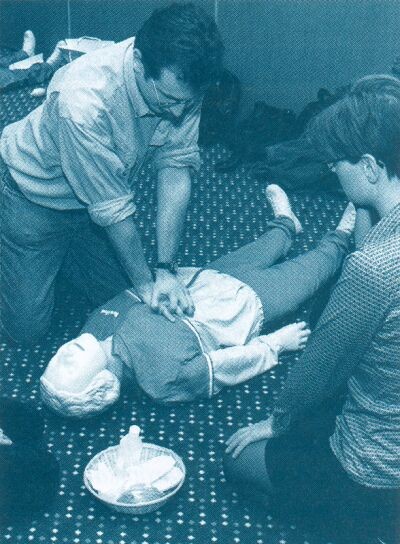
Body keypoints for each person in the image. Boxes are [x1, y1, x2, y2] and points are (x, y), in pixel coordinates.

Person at [224, 75, 400, 544]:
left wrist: (278, 422)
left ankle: (355, 523)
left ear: (369, 166)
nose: (331, 171)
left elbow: (321, 368)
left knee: (238, 459)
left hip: (378, 470)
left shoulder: (374, 270)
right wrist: (365, 201)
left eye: (337, 162)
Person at [0, 3, 224, 345]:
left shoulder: (182, 81)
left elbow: (175, 168)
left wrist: (164, 268)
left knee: (126, 301)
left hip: (92, 210)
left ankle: (61, 259)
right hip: (33, 200)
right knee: (26, 333)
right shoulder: (83, 103)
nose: (179, 113)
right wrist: (145, 284)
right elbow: (114, 210)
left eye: (187, 102)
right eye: (169, 100)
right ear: (138, 63)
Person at [39, 185, 356, 416]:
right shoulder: (161, 382)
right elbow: (226, 366)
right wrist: (276, 344)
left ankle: (286, 223)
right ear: (101, 384)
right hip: (247, 305)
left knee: (265, 246)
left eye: (56, 360)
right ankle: (343, 234)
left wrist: (166, 281)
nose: (65, 354)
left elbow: (135, 294)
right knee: (316, 267)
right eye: (69, 369)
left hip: (206, 280)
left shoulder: (94, 328)